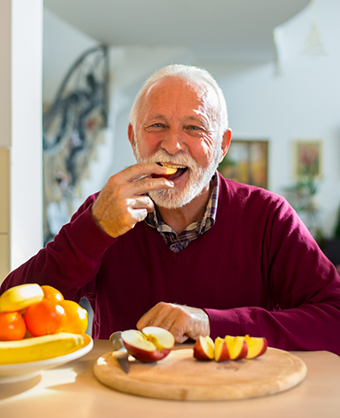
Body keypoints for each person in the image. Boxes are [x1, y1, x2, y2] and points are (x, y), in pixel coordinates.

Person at [2, 64, 340, 354]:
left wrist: (211, 324)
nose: (172, 144)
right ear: (134, 139)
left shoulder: (267, 216)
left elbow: (334, 319)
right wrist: (93, 230)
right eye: (157, 126)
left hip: (237, 399)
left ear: (222, 145)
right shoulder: (103, 211)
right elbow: (11, 313)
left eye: (193, 128)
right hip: (124, 397)